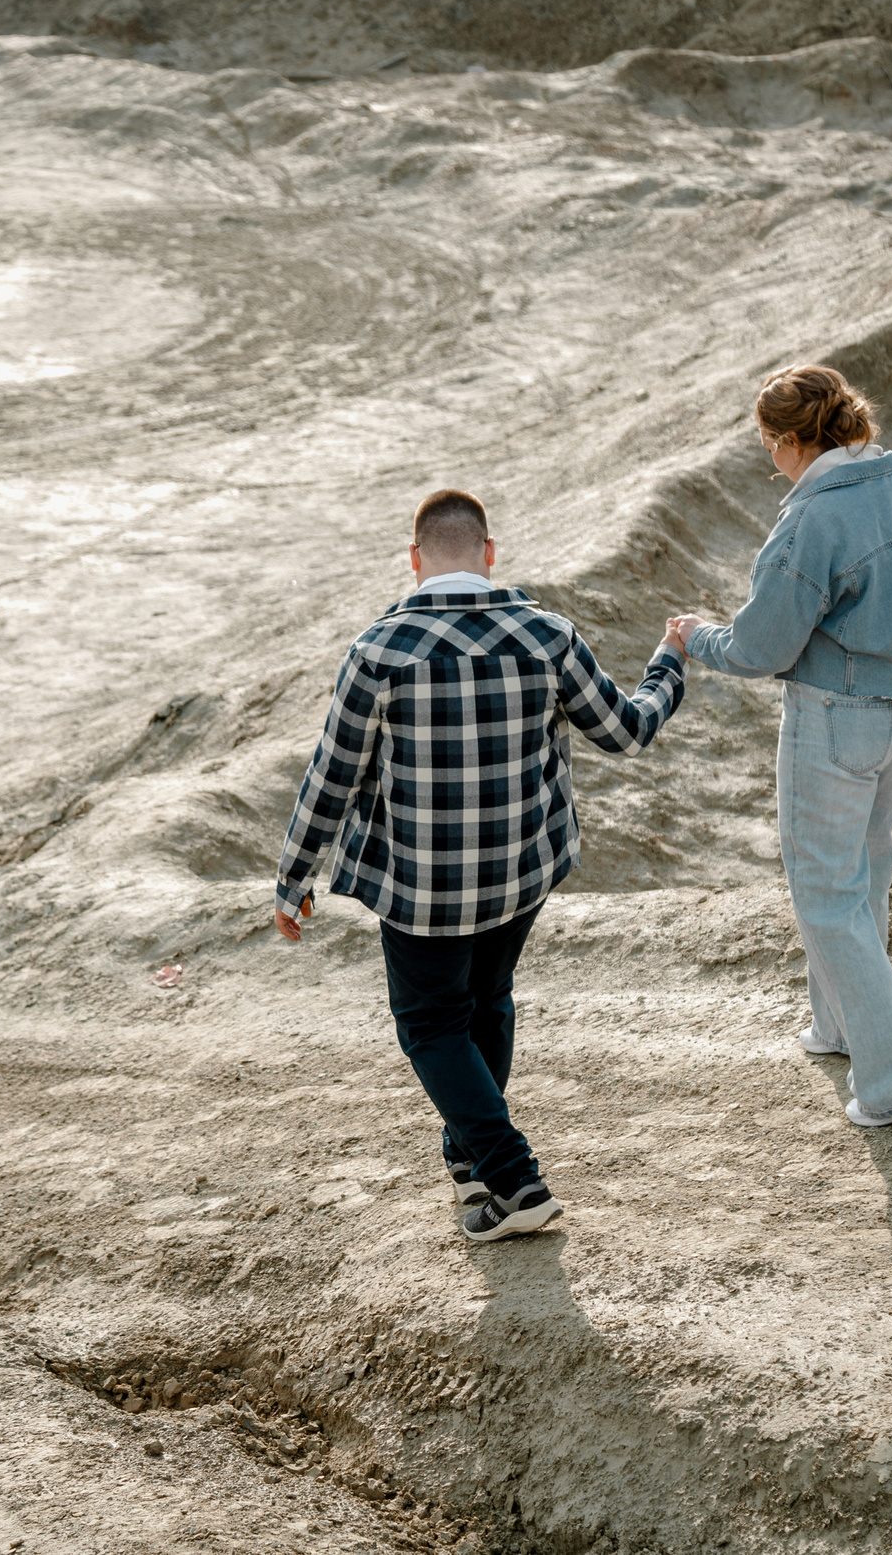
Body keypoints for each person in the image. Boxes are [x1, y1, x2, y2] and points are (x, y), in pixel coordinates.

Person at [273, 489, 688, 1242]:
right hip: (517, 877)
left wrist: (293, 878)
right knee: (488, 1002)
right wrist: (670, 663)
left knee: (432, 1025)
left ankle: (516, 1179)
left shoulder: (378, 653)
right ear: (489, 553)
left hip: (420, 888)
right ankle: (470, 1167)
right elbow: (626, 732)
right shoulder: (546, 636)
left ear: (415, 559)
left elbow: (331, 776)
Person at [667, 365, 892, 1131]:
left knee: (826, 893)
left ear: (792, 439)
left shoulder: (810, 522)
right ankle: (836, 1028)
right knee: (865, 871)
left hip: (834, 721)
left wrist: (696, 637)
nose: (771, 461)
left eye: (770, 445)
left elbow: (762, 646)